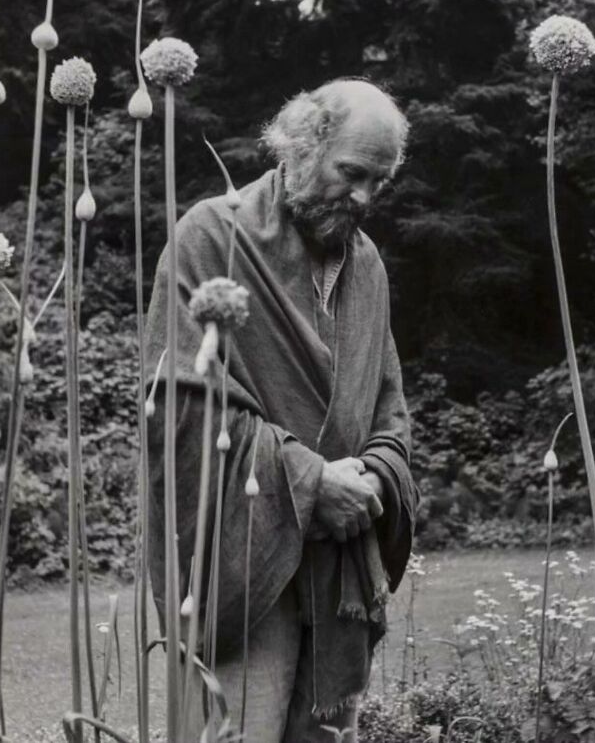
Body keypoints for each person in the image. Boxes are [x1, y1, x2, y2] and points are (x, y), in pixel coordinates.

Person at [145, 78, 418, 743]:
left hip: (340, 571)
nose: (363, 198)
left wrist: (372, 478)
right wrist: (306, 480)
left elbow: (388, 406)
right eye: (352, 173)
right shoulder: (213, 237)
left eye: (377, 183)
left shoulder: (369, 265)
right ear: (301, 147)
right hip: (247, 565)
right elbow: (179, 407)